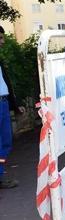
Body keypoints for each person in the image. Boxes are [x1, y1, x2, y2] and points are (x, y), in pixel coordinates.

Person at [0, 27, 25, 189]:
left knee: (5, 142)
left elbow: (6, 84)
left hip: (2, 104)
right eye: (0, 38)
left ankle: (0, 175)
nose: (3, 42)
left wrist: (15, 106)